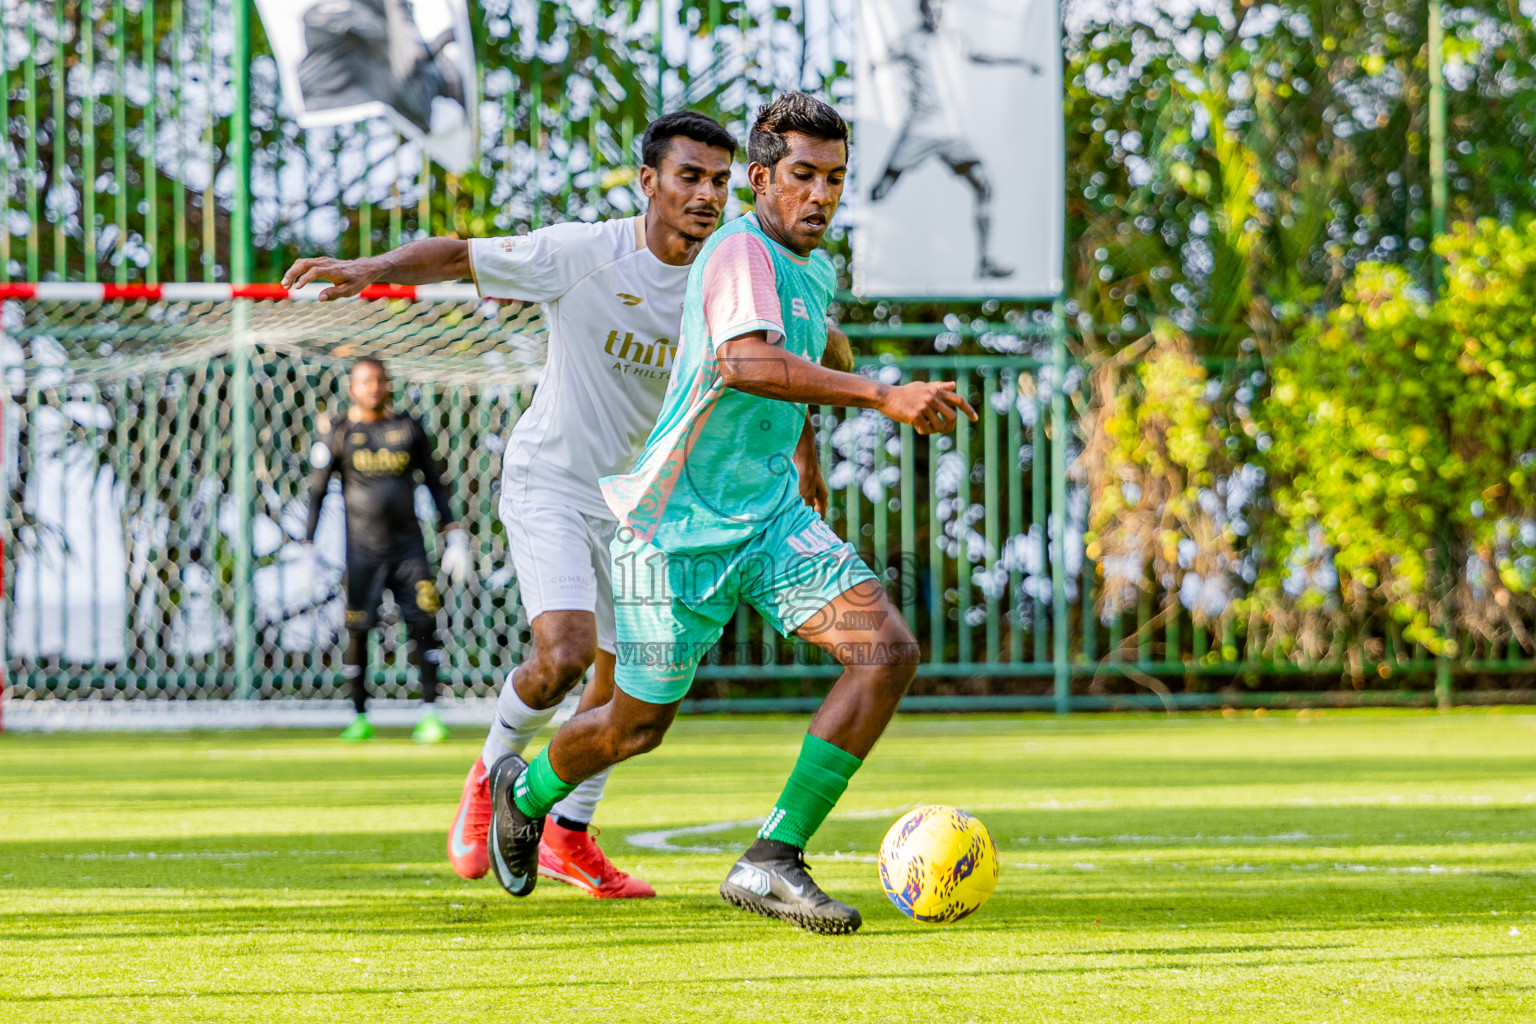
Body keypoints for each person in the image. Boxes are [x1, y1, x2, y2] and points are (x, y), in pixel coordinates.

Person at [284, 111, 825, 898]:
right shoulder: (585, 253)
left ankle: (568, 838)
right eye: (689, 177)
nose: (706, 195)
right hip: (557, 485)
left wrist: (802, 449)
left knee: (620, 696)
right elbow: (460, 255)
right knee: (562, 657)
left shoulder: (734, 268)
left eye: (718, 180)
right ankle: (488, 776)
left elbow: (782, 354)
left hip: (649, 508)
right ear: (650, 182)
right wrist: (372, 267)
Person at [484, 92, 977, 935]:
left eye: (835, 179)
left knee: (886, 651)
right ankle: (523, 791)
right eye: (802, 177)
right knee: (635, 728)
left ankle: (772, 858)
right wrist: (883, 394)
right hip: (670, 531)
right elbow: (748, 360)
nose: (820, 196)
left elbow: (810, 343)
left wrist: (807, 451)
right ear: (761, 178)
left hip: (769, 520)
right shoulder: (738, 252)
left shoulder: (813, 266)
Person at [304, 356, 472, 744]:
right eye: (365, 381)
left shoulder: (408, 428)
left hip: (409, 551)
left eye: (378, 380)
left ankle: (430, 712)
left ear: (387, 384)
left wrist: (453, 533)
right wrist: (306, 547)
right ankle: (359, 716)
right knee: (358, 631)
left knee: (424, 624)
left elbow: (433, 481)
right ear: (352, 388)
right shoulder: (340, 434)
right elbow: (316, 491)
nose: (373, 387)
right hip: (362, 553)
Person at [868, 0, 1042, 279]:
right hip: (920, 130)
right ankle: (858, 259)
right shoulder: (909, 40)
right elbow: (880, 58)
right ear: (922, 12)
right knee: (880, 191)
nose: (935, 16)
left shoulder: (954, 39)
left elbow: (981, 56)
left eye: (939, 11)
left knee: (984, 186)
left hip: (951, 133)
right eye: (930, 11)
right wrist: (874, 67)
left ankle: (984, 262)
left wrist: (1019, 61)